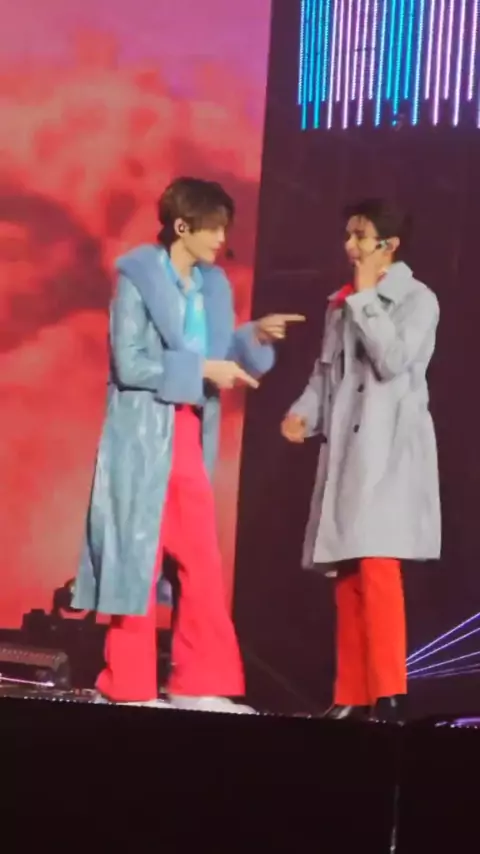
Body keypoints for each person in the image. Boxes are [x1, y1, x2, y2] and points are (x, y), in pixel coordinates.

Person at [73, 176, 304, 712]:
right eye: (213, 228)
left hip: (190, 430)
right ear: (182, 226)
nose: (222, 238)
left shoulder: (212, 286)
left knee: (200, 560)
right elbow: (130, 364)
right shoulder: (138, 277)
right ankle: (127, 685)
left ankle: (199, 682)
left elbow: (217, 353)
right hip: (143, 432)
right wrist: (201, 369)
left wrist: (253, 337)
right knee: (138, 556)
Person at [281, 198, 441, 723]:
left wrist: (368, 298)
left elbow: (393, 360)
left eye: (360, 236)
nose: (349, 245)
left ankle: (390, 691)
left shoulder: (418, 299)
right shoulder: (341, 303)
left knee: (377, 566)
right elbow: (324, 375)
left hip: (389, 452)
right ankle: (351, 692)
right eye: (348, 234)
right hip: (348, 453)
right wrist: (303, 413)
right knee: (348, 572)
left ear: (388, 245)